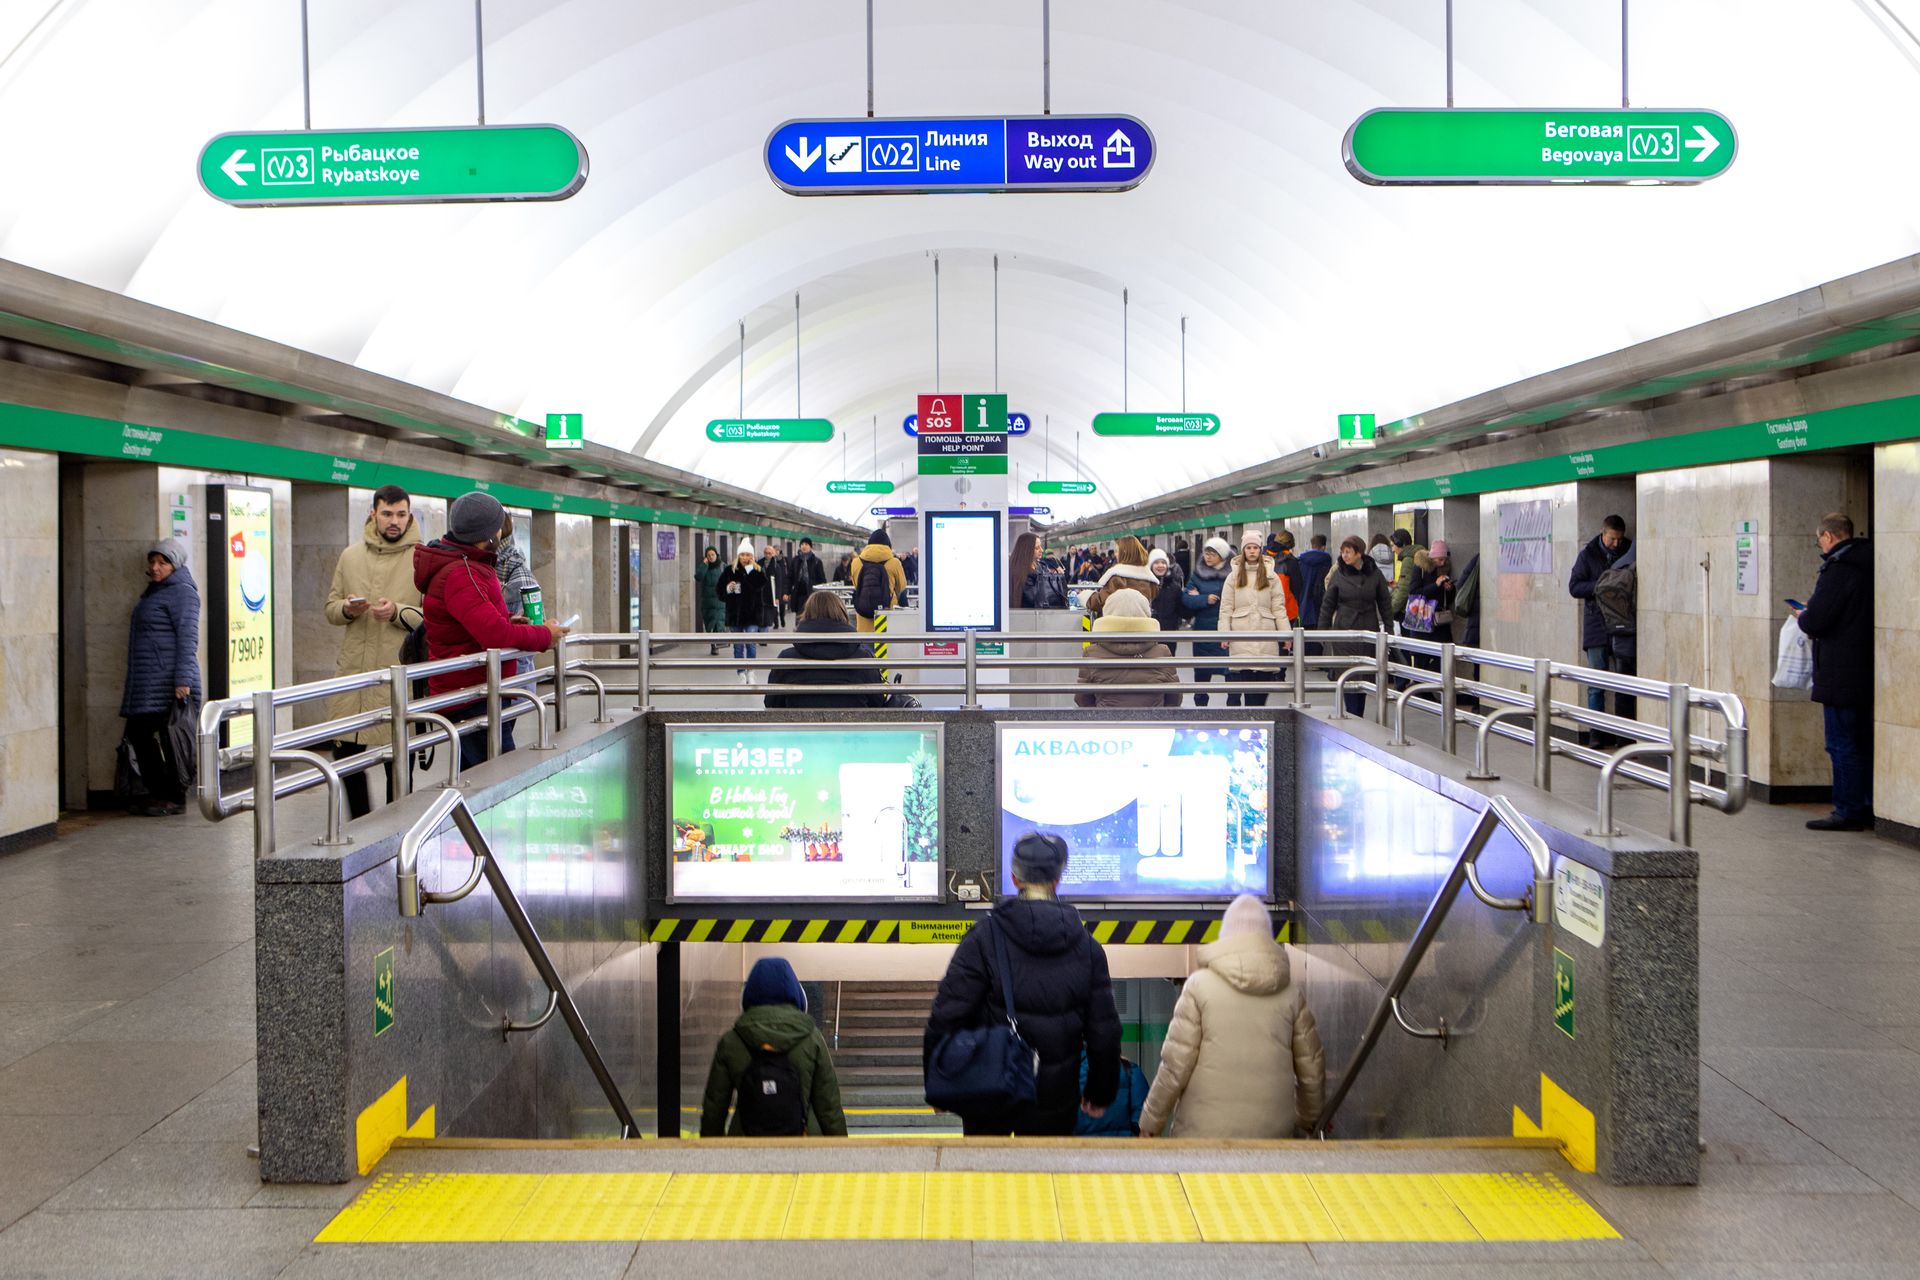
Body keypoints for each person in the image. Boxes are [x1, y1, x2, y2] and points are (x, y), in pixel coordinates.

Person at [924, 832, 1121, 1136]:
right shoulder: (1088, 948)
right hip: (1054, 1098)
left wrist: (936, 1083)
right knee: (1047, 1181)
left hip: (987, 1091)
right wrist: (1099, 1091)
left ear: (1015, 879)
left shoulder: (982, 939)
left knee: (987, 1181)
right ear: (1057, 881)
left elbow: (947, 1014)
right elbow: (1104, 1030)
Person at [1137, 895, 1325, 1139]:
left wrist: (1151, 1122)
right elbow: (1311, 1066)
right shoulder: (1290, 994)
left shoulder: (1199, 986)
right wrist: (1310, 1118)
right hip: (1273, 1136)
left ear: (1226, 935)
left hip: (1203, 1135)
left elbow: (1175, 1065)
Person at [414, 491, 564, 772]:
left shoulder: (468, 565)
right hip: (473, 697)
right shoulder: (462, 572)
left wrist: (509, 620)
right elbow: (493, 635)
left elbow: (476, 621)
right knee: (501, 781)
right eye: (498, 525)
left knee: (474, 783)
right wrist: (546, 635)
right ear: (489, 533)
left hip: (476, 692)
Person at [324, 484, 424, 818]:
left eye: (401, 514)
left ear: (409, 515)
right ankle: (362, 826)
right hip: (354, 673)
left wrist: (397, 611)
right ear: (373, 514)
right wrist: (348, 610)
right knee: (346, 757)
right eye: (387, 514)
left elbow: (432, 619)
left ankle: (398, 830)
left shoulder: (421, 558)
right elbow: (330, 608)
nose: (394, 521)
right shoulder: (350, 556)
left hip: (398, 675)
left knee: (399, 759)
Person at [700, 957, 847, 1137]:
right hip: (803, 1147)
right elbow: (829, 1107)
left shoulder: (732, 1041)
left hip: (746, 1148)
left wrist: (708, 1155)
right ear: (797, 994)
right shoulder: (812, 1039)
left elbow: (714, 1108)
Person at [1793, 513, 1874, 832]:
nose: (1821, 547)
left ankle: (1847, 809)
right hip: (1864, 668)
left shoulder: (1839, 569)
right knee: (1861, 741)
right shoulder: (1869, 561)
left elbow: (1817, 621)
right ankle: (1865, 803)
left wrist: (1803, 615)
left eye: (1819, 541)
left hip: (1841, 672)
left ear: (1827, 536)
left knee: (1841, 743)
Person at [120, 538, 201, 817]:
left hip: (169, 682)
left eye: (162, 562)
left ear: (175, 564)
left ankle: (173, 796)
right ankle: (159, 794)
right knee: (142, 734)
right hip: (150, 681)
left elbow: (188, 638)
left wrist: (183, 681)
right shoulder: (156, 591)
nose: (155, 568)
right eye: (152, 562)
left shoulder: (182, 592)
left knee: (163, 737)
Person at [764, 592, 889, 709]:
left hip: (800, 731)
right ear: (842, 614)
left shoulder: (787, 659)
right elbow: (877, 703)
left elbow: (771, 703)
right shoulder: (863, 659)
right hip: (853, 731)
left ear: (806, 614)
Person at [1568, 515, 1632, 737]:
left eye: (1619, 539)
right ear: (1603, 533)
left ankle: (1622, 736)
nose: (1616, 544)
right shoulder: (1588, 555)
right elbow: (1574, 587)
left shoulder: (1629, 550)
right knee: (1597, 682)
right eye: (1612, 539)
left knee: (1623, 683)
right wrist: (1602, 586)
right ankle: (1596, 732)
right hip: (1596, 626)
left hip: (1623, 626)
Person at [1319, 536, 1391, 718]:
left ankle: (1358, 714)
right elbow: (1327, 605)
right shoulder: (1339, 574)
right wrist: (1322, 632)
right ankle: (1353, 714)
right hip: (1344, 629)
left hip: (1368, 628)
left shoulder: (1374, 573)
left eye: (1348, 552)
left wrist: (1388, 629)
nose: (1344, 555)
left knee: (1364, 675)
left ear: (1359, 553)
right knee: (1348, 673)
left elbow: (1384, 601)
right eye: (1343, 552)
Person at [1219, 528, 1292, 707]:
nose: (1252, 551)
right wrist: (1224, 634)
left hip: (1265, 634)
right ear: (1243, 551)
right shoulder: (1233, 576)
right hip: (1240, 636)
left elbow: (1278, 608)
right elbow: (1226, 607)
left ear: (1261, 550)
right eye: (1248, 548)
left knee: (1262, 688)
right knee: (1245, 683)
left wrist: (1286, 635)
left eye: (1255, 547)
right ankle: (1250, 722)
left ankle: (1256, 720)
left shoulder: (1271, 576)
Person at [1076, 590, 1181, 708]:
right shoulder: (1162, 651)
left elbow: (1082, 699)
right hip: (1152, 721)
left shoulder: (1091, 653)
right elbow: (1174, 698)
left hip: (1107, 721)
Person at [492, 511, 540, 754]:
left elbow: (530, 616)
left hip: (509, 667)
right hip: (505, 668)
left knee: (498, 740)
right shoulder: (509, 562)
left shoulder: (511, 567)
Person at [1182, 536, 1232, 706]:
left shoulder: (1233, 575)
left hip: (1226, 630)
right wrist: (1204, 599)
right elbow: (1186, 599)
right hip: (1203, 631)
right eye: (1206, 553)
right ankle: (1200, 707)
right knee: (1202, 673)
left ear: (1222, 556)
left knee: (1231, 673)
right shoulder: (1198, 574)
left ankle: (1233, 707)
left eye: (1212, 554)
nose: (1208, 557)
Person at [719, 540, 778, 679]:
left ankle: (751, 670)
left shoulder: (758, 570)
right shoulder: (729, 570)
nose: (745, 558)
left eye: (748, 555)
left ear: (752, 556)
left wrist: (750, 570)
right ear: (738, 555)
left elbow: (759, 586)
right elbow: (719, 591)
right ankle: (740, 672)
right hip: (735, 614)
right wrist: (728, 589)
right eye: (742, 555)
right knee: (738, 646)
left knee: (750, 643)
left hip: (752, 614)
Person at [1084, 535, 1159, 619]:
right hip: (1142, 627)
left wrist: (1085, 596)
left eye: (1117, 551)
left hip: (1117, 626)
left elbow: (1100, 602)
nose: (1115, 554)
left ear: (1124, 553)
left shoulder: (1118, 579)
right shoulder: (1150, 580)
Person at [851, 527, 906, 632]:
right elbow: (901, 587)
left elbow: (856, 585)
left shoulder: (856, 562)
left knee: (866, 646)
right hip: (887, 615)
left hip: (864, 614)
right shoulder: (894, 562)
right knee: (888, 646)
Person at [1011, 531, 1066, 609]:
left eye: (1041, 546)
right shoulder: (1020, 573)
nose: (1042, 550)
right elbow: (1035, 598)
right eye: (1037, 548)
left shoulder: (1040, 566)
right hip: (1028, 615)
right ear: (1026, 550)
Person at [1388, 528, 1429, 626]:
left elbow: (1404, 589)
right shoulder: (1417, 555)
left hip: (1407, 610)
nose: (1393, 550)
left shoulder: (1408, 559)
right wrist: (1398, 584)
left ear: (1401, 544)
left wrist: (1390, 610)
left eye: (1393, 546)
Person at [1147, 546, 1187, 637]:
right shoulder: (1144, 586)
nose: (1160, 565)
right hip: (1148, 633)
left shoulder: (1174, 587)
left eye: (1163, 562)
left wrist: (1191, 599)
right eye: (1156, 563)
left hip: (1169, 634)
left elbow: (1184, 612)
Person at [695, 545, 727, 654]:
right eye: (708, 555)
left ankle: (716, 645)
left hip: (720, 601)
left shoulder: (723, 566)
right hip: (707, 602)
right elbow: (698, 577)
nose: (711, 557)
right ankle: (713, 644)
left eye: (712, 554)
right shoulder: (704, 567)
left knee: (718, 622)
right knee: (710, 625)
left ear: (716, 555)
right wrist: (704, 564)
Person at [1270, 531, 1307, 622]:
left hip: (1268, 610)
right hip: (1288, 609)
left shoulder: (1265, 558)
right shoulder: (1291, 561)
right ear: (1291, 544)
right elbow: (1297, 586)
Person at [786, 536, 826, 618]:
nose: (804, 546)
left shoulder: (817, 561)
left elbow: (822, 579)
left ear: (810, 547)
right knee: (799, 617)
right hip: (798, 594)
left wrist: (821, 595)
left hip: (812, 594)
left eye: (806, 544)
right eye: (802, 544)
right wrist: (787, 592)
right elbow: (790, 577)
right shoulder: (795, 560)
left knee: (811, 616)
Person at [1298, 534, 1332, 632]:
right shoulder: (1326, 560)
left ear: (1312, 545)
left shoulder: (1301, 560)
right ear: (1323, 547)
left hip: (1304, 606)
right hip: (1320, 605)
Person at [766, 545, 792, 629]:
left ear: (780, 551)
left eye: (777, 550)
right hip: (774, 584)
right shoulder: (771, 561)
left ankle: (782, 618)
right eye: (774, 550)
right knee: (774, 605)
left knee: (782, 605)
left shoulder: (784, 560)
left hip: (783, 584)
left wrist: (787, 590)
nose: (776, 552)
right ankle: (776, 622)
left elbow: (789, 573)